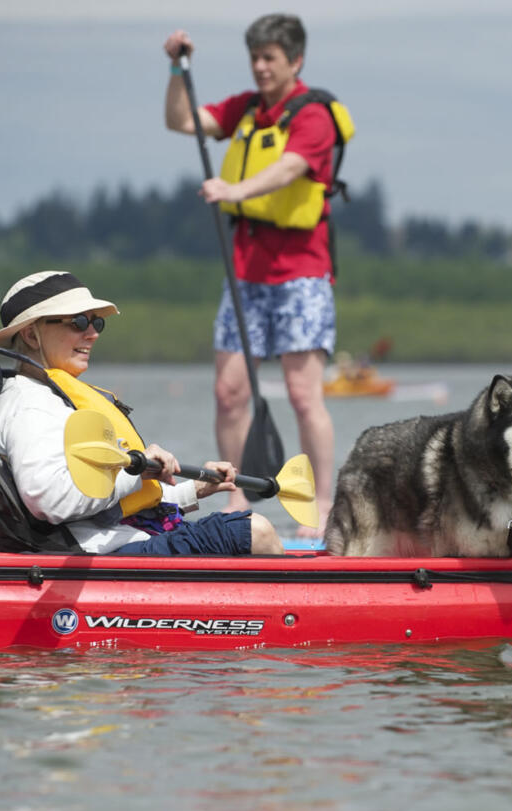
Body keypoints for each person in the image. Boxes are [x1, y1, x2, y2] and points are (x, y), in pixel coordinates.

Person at [163, 15, 345, 537]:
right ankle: (234, 498)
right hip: (244, 275)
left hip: (301, 276)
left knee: (303, 394)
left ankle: (325, 505)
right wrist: (177, 69)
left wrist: (233, 191)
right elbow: (182, 122)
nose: (262, 67)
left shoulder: (313, 116)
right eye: (256, 58)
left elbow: (289, 168)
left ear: (295, 61)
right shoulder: (245, 109)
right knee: (230, 393)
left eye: (271, 58)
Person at [0, 270, 282, 556]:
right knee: (256, 531)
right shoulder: (30, 405)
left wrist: (196, 490)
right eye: (78, 322)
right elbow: (49, 501)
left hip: (120, 540)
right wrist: (133, 471)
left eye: (96, 323)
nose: (92, 333)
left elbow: (112, 502)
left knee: (249, 529)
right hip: (101, 554)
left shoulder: (47, 397)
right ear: (32, 336)